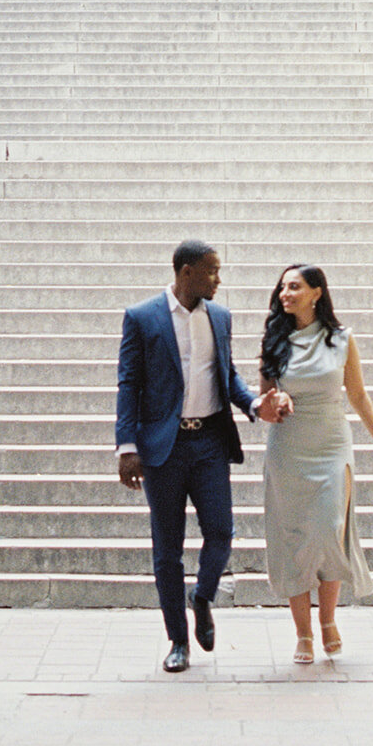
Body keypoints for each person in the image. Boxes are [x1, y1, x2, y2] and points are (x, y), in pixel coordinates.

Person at [116, 239, 287, 672]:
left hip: (209, 442)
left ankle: (202, 596)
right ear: (186, 271)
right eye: (212, 270)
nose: (218, 279)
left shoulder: (221, 317)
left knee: (222, 532)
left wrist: (253, 404)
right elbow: (128, 384)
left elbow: (227, 376)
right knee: (167, 550)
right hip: (163, 449)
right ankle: (177, 642)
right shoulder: (142, 318)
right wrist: (127, 446)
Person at [260, 263, 373, 663]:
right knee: (294, 540)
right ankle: (303, 633)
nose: (286, 294)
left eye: (295, 287)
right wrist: (275, 402)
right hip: (288, 448)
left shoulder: (342, 338)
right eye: (282, 288)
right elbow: (263, 400)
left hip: (332, 445)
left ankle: (329, 620)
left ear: (317, 292)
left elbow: (358, 394)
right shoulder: (274, 340)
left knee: (328, 531)